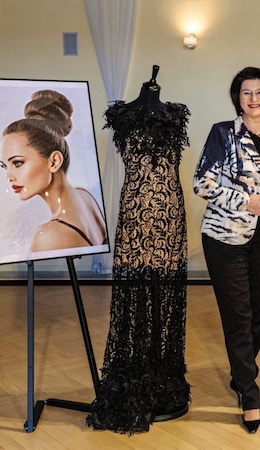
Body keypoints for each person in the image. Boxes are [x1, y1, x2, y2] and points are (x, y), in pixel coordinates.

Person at [87, 66, 191, 433]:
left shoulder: (175, 114)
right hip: (135, 211)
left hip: (169, 212)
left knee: (164, 293)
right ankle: (137, 374)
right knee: (135, 292)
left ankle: (162, 373)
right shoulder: (121, 115)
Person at [193, 66, 260, 434]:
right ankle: (250, 395)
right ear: (237, 98)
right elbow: (200, 182)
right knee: (238, 314)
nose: (253, 99)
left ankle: (241, 379)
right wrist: (243, 200)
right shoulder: (223, 134)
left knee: (256, 313)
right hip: (225, 239)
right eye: (246, 92)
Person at [0, 89, 107, 252]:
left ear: (54, 161)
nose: (9, 177)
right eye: (4, 166)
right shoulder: (85, 196)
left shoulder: (49, 236)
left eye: (18, 163)